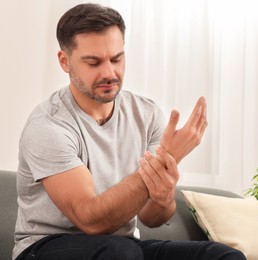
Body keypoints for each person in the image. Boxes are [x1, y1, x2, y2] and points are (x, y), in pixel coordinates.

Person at [13, 3, 246, 260]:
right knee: (120, 253)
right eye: (93, 62)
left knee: (222, 256)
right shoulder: (48, 125)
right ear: (64, 61)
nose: (109, 73)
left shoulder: (146, 115)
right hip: (46, 248)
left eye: (117, 59)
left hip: (123, 249)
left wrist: (162, 192)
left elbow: (152, 217)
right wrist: (165, 158)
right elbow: (90, 220)